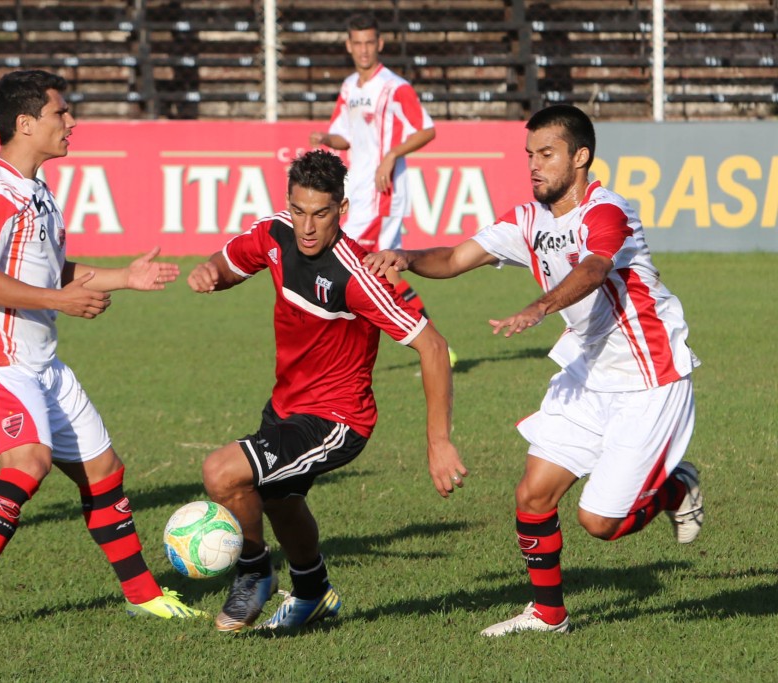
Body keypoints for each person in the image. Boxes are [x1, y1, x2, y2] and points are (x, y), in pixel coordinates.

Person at [364, 104, 703, 636]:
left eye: (547, 154)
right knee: (532, 495)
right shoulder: (527, 220)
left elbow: (593, 268)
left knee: (600, 523)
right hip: (589, 375)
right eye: (530, 155)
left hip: (649, 377)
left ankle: (675, 490)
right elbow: (454, 258)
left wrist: (540, 306)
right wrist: (407, 257)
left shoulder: (606, 211)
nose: (534, 165)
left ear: (581, 156)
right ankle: (549, 615)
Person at [0, 70, 202, 631]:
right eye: (62, 113)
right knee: (29, 463)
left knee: (104, 470)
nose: (72, 123)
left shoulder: (36, 192)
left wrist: (124, 278)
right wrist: (61, 298)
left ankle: (141, 593)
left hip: (40, 361)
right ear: (26, 123)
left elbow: (52, 269)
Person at [188, 149, 467, 633]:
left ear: (342, 210)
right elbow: (232, 262)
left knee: (222, 473)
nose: (307, 226)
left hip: (337, 420)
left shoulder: (359, 275)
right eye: (299, 211)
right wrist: (213, 273)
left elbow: (435, 348)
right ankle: (313, 592)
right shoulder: (274, 233)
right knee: (279, 500)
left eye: (320, 214)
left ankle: (254, 572)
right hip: (286, 406)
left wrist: (438, 442)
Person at [308, 13, 457, 366]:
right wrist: (328, 139)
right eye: (356, 43)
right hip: (356, 188)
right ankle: (435, 346)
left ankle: (335, 350)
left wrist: (392, 155)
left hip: (382, 190)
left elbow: (426, 130)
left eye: (369, 43)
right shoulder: (348, 88)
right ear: (348, 45)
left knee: (346, 261)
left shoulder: (395, 87)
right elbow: (344, 135)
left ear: (380, 44)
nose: (363, 49)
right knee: (383, 272)